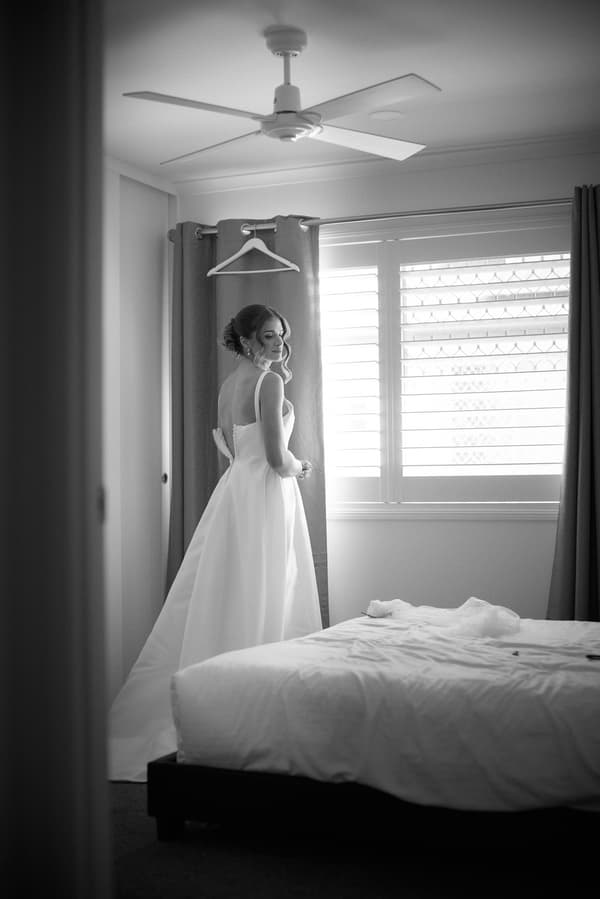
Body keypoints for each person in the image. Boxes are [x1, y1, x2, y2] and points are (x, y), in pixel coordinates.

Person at [108, 304, 323, 781]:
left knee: (233, 589)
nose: (277, 344)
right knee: (266, 589)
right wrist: (302, 467)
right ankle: (259, 710)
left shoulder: (230, 385)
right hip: (266, 494)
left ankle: (223, 704)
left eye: (281, 335)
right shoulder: (270, 384)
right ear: (246, 340)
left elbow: (230, 445)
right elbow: (273, 457)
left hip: (234, 494)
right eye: (268, 336)